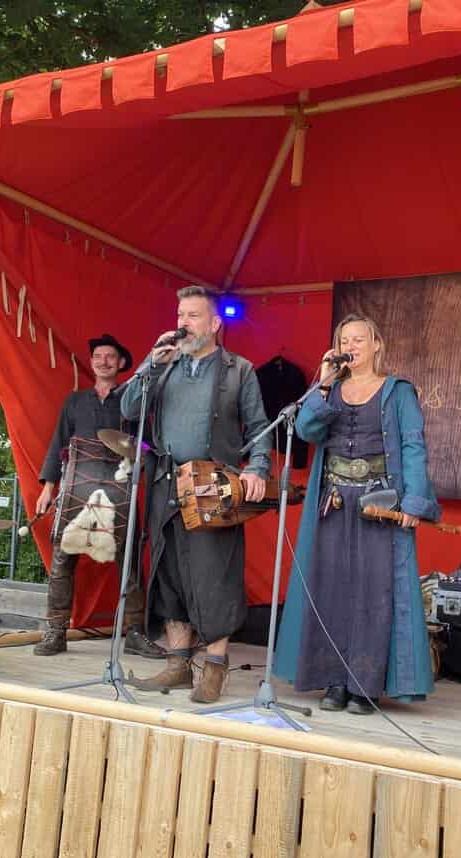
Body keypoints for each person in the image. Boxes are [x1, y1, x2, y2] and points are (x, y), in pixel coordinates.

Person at [274, 314, 440, 714]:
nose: (351, 345)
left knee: (373, 594)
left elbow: (414, 446)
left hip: (378, 503)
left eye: (359, 339)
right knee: (331, 589)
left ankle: (364, 685)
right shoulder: (328, 389)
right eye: (344, 339)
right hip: (333, 501)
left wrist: (414, 502)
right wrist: (325, 381)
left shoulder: (398, 391)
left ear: (377, 344)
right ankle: (333, 681)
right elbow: (307, 432)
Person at [119, 286, 271, 703]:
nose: (183, 323)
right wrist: (149, 364)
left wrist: (257, 468)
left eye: (193, 316)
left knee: (212, 577)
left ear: (216, 324)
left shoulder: (239, 370)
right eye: (180, 315)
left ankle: (215, 669)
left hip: (212, 484)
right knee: (168, 575)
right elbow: (129, 409)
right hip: (166, 482)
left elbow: (258, 427)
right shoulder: (164, 366)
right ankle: (177, 665)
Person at [35, 333, 164, 659]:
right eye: (98, 357)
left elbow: (148, 448)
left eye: (110, 357)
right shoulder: (74, 402)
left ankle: (135, 632)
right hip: (77, 489)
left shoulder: (133, 402)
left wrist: (138, 458)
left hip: (119, 490)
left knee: (129, 564)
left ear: (121, 363)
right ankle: (56, 631)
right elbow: (57, 444)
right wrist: (48, 487)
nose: (103, 361)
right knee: (63, 560)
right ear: (92, 363)